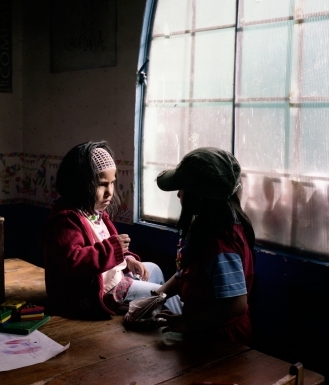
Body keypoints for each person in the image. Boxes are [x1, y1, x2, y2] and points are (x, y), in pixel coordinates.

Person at [40, 141, 179, 319]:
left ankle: (148, 315)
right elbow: (72, 262)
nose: (110, 192)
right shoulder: (65, 220)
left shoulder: (95, 214)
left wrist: (127, 259)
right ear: (79, 184)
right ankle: (183, 334)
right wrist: (113, 249)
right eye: (102, 184)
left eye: (112, 183)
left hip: (111, 279)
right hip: (91, 294)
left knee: (154, 270)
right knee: (166, 295)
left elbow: (108, 252)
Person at [154, 147, 255, 346]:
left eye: (181, 189)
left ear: (198, 198)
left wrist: (188, 324)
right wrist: (157, 297)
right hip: (204, 328)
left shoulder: (221, 243)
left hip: (222, 338)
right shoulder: (205, 228)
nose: (178, 195)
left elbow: (235, 303)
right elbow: (188, 272)